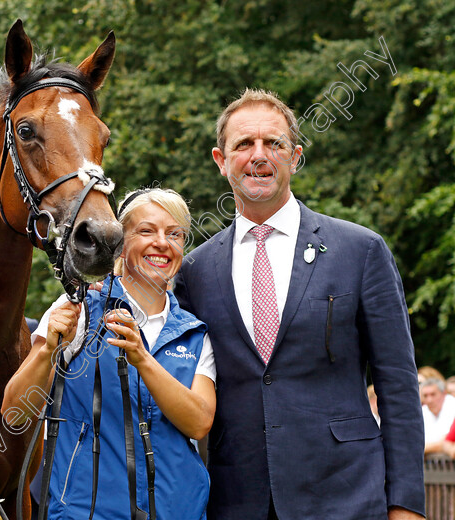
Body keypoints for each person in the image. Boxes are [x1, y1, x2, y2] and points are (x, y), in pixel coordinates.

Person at [174, 89, 425, 520]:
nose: (259, 155)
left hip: (348, 496)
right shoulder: (194, 270)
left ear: (295, 157)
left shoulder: (360, 250)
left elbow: (398, 387)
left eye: (274, 143)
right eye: (243, 144)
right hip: (236, 501)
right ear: (220, 160)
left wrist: (406, 505)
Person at [3, 188, 216, 520]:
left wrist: (143, 359)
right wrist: (48, 350)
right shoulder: (78, 310)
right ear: (122, 243)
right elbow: (15, 414)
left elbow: (199, 422)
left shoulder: (193, 333)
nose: (162, 242)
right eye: (147, 230)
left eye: (174, 234)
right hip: (85, 512)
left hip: (180, 511)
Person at [421, 377, 455, 454]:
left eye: (433, 394)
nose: (429, 400)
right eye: (425, 396)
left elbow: (446, 441)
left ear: (444, 393)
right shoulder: (424, 410)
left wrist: (420, 449)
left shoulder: (454, 406)